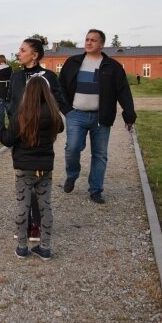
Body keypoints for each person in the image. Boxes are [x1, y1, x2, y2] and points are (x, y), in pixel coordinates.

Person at [58, 29, 137, 204]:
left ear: (101, 44)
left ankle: (96, 189)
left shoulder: (112, 67)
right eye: (87, 39)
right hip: (76, 115)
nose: (89, 42)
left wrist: (129, 115)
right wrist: (65, 109)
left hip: (101, 118)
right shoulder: (73, 62)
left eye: (93, 40)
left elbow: (123, 91)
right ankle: (72, 175)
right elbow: (60, 87)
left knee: (100, 154)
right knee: (72, 148)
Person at [0, 75, 64, 260]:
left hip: (24, 169)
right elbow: (61, 128)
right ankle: (45, 247)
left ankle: (22, 247)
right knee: (45, 207)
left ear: (27, 93)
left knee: (22, 206)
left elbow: (8, 139)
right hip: (45, 169)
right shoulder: (54, 114)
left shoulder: (21, 116)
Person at [6, 38, 68, 241]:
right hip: (20, 134)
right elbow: (10, 101)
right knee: (23, 178)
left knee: (37, 178)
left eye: (22, 50)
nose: (18, 53)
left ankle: (36, 224)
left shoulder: (48, 77)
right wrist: (14, 122)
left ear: (35, 55)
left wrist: (45, 119)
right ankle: (25, 222)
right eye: (19, 49)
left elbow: (58, 100)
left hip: (40, 136)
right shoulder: (15, 77)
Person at [0, 55, 13, 128]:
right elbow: (12, 77)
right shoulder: (10, 68)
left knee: (1, 108)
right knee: (9, 107)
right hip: (8, 90)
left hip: (0, 89)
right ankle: (12, 123)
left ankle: (2, 124)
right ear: (5, 60)